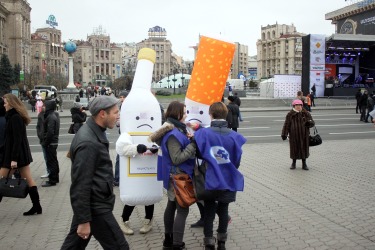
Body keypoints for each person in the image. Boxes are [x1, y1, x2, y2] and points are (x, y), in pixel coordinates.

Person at [61, 95, 129, 250]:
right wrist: (84, 220)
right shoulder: (89, 142)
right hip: (96, 208)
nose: (118, 116)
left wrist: (82, 218)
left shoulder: (94, 132)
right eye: (115, 112)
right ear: (102, 114)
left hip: (92, 206)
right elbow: (80, 184)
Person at [193, 102, 246, 250]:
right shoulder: (235, 136)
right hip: (228, 177)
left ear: (210, 114)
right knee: (223, 210)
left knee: (209, 211)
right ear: (226, 114)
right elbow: (237, 160)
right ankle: (222, 242)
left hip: (210, 177)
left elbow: (198, 153)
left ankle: (209, 243)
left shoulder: (203, 133)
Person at [149, 101, 196, 250]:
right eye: (184, 111)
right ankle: (176, 244)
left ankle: (168, 241)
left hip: (173, 175)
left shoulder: (175, 130)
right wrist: (192, 145)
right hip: (178, 176)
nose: (186, 114)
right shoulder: (173, 134)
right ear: (177, 114)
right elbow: (176, 158)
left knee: (171, 205)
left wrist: (187, 140)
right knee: (182, 208)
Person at [0, 94, 42, 215]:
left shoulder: (15, 118)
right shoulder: (12, 116)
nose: (4, 104)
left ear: (12, 103)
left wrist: (13, 159)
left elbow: (17, 140)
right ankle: (37, 206)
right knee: (29, 180)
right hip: (19, 155)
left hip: (15, 156)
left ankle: (37, 206)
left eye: (5, 102)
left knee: (1, 181)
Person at [281, 99, 315, 170]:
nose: (298, 107)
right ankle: (293, 163)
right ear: (294, 106)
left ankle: (304, 164)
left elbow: (312, 123)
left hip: (304, 135)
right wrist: (284, 134)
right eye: (297, 105)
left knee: (304, 149)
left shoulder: (306, 113)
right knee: (294, 149)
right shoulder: (290, 114)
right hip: (294, 136)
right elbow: (286, 125)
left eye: (300, 105)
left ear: (302, 106)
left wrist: (309, 123)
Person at [41, 99, 60, 187]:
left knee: (51, 161)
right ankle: (55, 178)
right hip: (52, 143)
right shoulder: (52, 115)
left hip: (50, 143)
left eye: (44, 105)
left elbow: (50, 132)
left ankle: (52, 180)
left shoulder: (51, 117)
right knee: (53, 160)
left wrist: (45, 143)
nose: (43, 107)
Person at [114, 91, 128, 186]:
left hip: (126, 134)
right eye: (120, 97)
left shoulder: (127, 107)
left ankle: (118, 178)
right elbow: (118, 121)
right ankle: (118, 178)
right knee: (119, 156)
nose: (121, 99)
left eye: (123, 97)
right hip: (123, 134)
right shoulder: (121, 106)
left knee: (120, 156)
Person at [36, 101, 49, 178]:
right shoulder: (40, 115)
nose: (43, 107)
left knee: (49, 157)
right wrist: (40, 135)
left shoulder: (50, 115)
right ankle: (48, 171)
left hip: (48, 139)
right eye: (42, 105)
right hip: (42, 139)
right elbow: (38, 126)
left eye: (44, 105)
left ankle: (50, 171)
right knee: (45, 156)